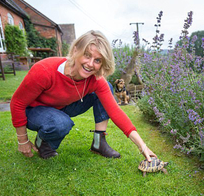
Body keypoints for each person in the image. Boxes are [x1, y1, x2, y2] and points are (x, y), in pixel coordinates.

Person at [10, 30, 156, 161]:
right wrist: (22, 140)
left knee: (107, 87)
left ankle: (99, 142)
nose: (90, 64)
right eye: (87, 55)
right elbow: (17, 103)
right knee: (61, 123)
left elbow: (115, 111)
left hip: (63, 106)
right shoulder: (44, 70)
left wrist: (142, 146)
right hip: (34, 111)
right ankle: (43, 143)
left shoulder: (95, 79)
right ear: (75, 51)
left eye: (97, 60)